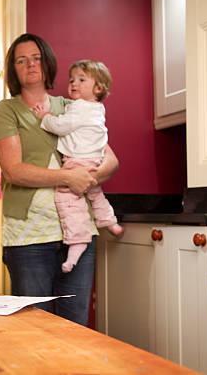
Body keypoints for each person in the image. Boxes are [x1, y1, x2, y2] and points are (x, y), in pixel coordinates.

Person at [0, 33, 119, 326]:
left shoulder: (72, 105)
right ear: (13, 69)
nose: (30, 65)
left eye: (36, 58)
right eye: (21, 61)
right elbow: (13, 170)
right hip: (29, 238)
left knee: (75, 326)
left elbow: (110, 159)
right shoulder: (6, 111)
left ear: (47, 63)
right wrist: (67, 177)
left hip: (78, 233)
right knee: (35, 328)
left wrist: (87, 177)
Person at [33, 60, 123, 274]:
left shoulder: (79, 108)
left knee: (67, 199)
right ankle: (109, 220)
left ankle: (77, 241)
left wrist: (44, 117)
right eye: (72, 79)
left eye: (82, 80)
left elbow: (61, 126)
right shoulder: (97, 108)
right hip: (94, 160)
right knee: (95, 193)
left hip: (77, 162)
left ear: (98, 88)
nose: (74, 83)